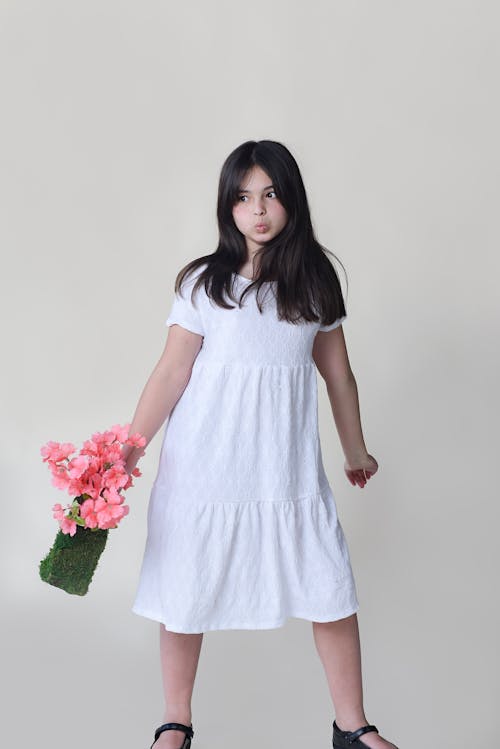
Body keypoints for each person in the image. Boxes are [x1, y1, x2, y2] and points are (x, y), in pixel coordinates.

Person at [120, 140, 399, 749]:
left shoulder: (315, 282)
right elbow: (170, 373)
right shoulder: (203, 283)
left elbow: (338, 374)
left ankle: (353, 726)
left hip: (285, 473)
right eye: (244, 197)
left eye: (271, 194)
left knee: (330, 589)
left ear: (291, 199)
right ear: (228, 208)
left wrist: (355, 452)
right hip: (205, 465)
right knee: (186, 591)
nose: (259, 209)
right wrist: (129, 452)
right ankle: (176, 722)